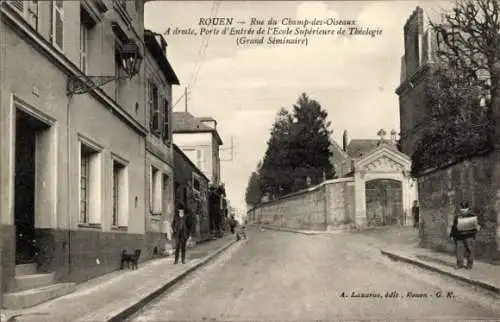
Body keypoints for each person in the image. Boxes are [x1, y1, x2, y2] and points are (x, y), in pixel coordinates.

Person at [449, 201, 480, 269]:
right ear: (460, 209)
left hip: (469, 237)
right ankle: (459, 264)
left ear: (468, 209)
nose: (463, 211)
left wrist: (477, 227)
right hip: (459, 237)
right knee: (459, 251)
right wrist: (451, 235)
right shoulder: (457, 217)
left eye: (465, 209)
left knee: (470, 250)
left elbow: (477, 226)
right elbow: (454, 227)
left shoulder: (472, 216)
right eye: (462, 209)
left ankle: (469, 265)